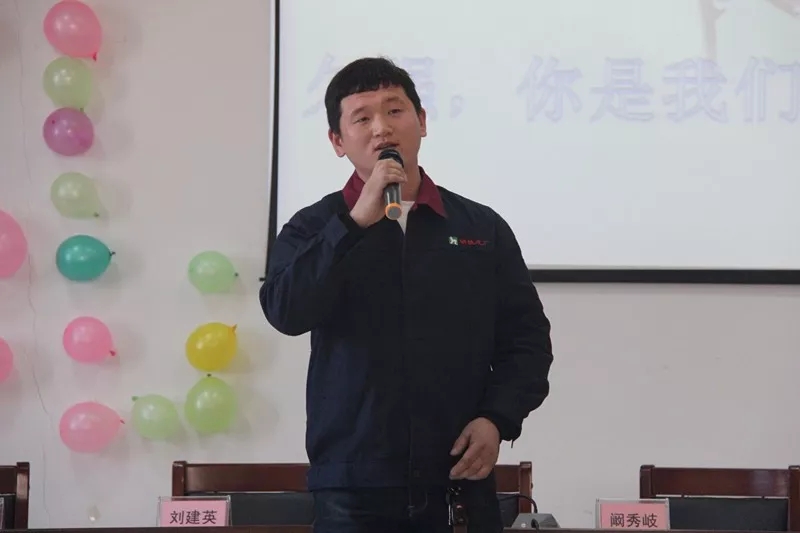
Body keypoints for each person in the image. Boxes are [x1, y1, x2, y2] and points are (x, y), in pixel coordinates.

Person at [259, 57, 554, 533]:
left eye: (395, 110)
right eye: (362, 118)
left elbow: (527, 341)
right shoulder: (313, 227)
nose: (382, 128)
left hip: (458, 478)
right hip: (354, 486)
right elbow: (286, 310)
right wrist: (355, 223)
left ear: (422, 121)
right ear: (337, 142)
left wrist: (497, 419)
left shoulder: (480, 227)